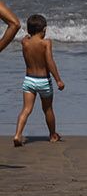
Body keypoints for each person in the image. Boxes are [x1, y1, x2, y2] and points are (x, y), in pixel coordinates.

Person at [13, 14, 63, 146]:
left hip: (29, 80)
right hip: (43, 81)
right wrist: (58, 80)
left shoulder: (24, 42)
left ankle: (18, 135)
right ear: (44, 30)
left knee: (26, 109)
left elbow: (25, 38)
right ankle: (53, 135)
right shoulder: (46, 43)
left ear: (29, 30)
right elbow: (50, 62)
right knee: (48, 109)